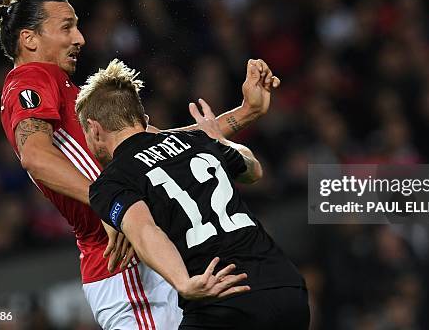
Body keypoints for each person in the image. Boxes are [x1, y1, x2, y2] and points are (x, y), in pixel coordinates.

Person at [0, 0, 280, 329]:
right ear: (29, 39)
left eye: (78, 26)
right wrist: (113, 207)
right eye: (66, 27)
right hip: (123, 268)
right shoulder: (29, 80)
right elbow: (35, 156)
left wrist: (246, 112)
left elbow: (163, 144)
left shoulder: (76, 97)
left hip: (150, 253)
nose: (80, 38)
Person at [77, 59, 310, 330]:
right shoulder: (195, 140)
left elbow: (144, 230)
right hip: (286, 286)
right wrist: (220, 141)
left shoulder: (111, 180)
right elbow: (253, 171)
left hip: (223, 299)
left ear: (94, 129)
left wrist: (183, 282)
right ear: (143, 119)